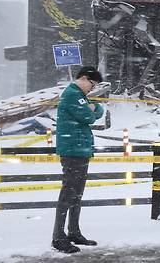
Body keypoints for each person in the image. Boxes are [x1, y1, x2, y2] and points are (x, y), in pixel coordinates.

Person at [51, 66, 104, 254]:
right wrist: (91, 110)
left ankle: (73, 231)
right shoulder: (73, 94)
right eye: (92, 84)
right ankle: (58, 237)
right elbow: (88, 116)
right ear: (83, 78)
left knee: (77, 194)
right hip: (72, 149)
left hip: (80, 150)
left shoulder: (79, 95)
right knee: (69, 193)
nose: (92, 88)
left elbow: (98, 110)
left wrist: (93, 108)